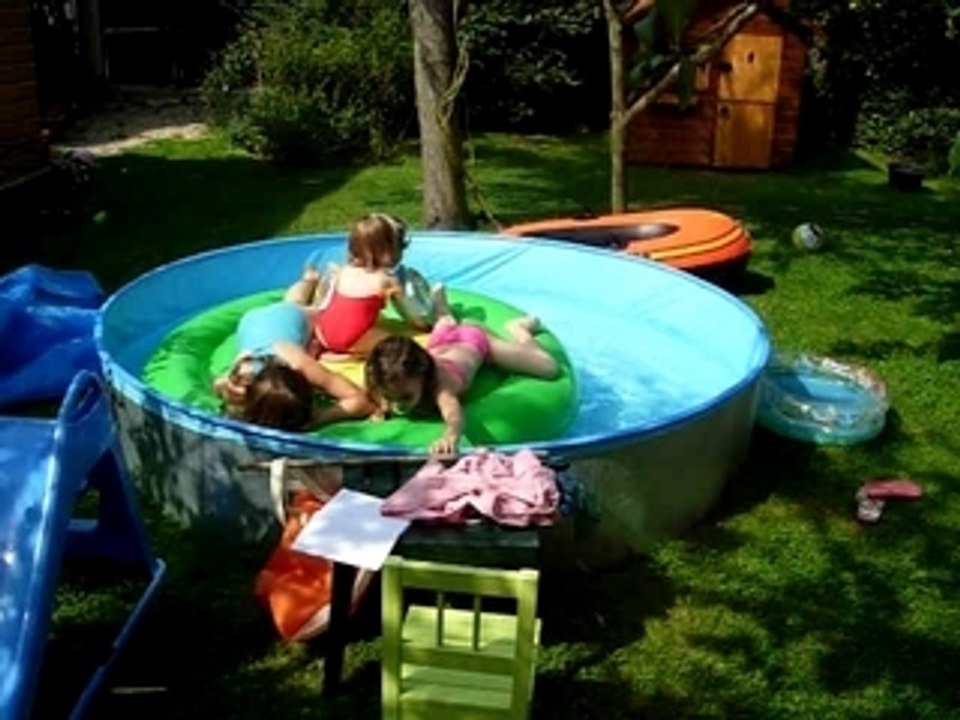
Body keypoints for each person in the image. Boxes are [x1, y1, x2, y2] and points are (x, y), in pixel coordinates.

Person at [363, 285, 560, 455]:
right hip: (441, 342)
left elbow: (453, 415)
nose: (398, 406)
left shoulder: (441, 385)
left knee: (549, 368)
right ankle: (442, 308)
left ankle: (520, 329)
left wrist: (450, 436)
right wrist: (381, 408)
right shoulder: (392, 381)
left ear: (423, 375)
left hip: (473, 341)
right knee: (444, 325)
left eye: (405, 397)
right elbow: (381, 392)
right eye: (391, 398)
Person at [213, 271, 375, 431]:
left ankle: (312, 280)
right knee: (294, 302)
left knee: (316, 311)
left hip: (282, 319)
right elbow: (221, 383)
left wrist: (318, 419)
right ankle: (310, 280)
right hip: (260, 322)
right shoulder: (240, 381)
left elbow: (360, 401)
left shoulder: (298, 362)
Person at [312, 212, 419, 359]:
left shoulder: (344, 271)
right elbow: (410, 312)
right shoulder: (387, 281)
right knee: (401, 344)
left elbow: (329, 302)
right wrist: (424, 325)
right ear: (389, 251)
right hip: (351, 339)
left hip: (322, 332)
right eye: (400, 247)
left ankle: (330, 349)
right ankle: (352, 354)